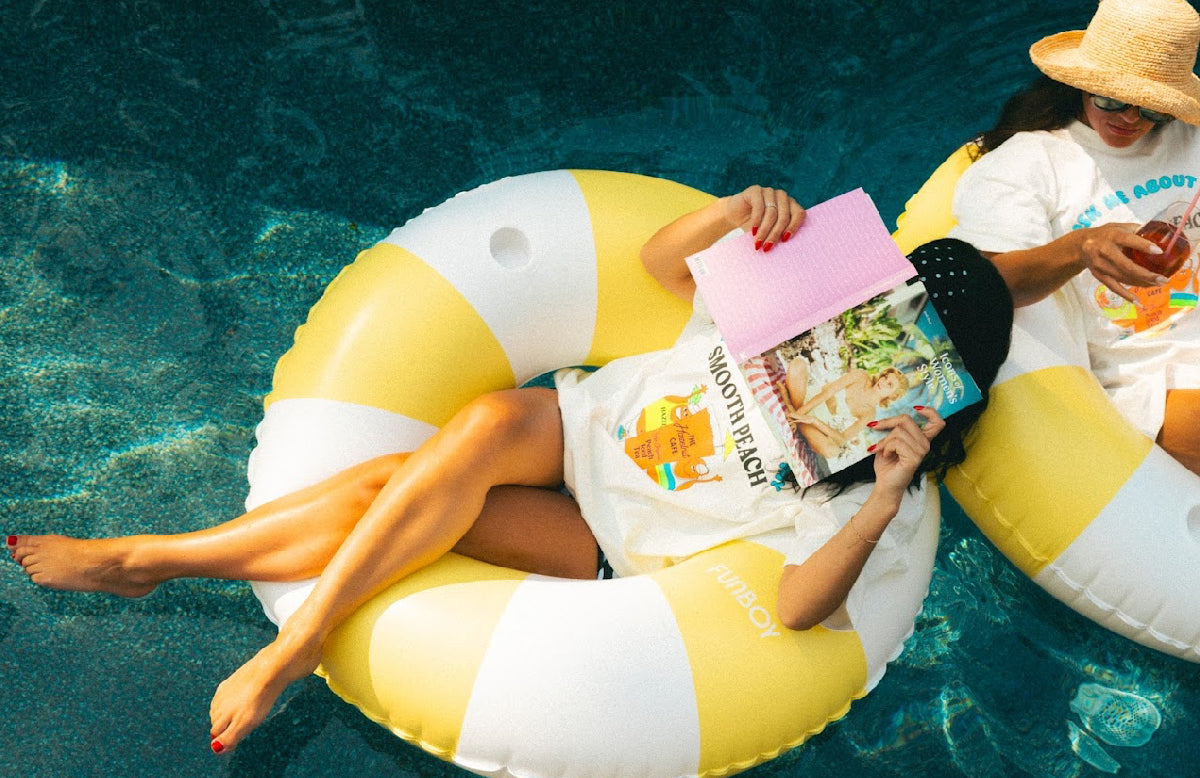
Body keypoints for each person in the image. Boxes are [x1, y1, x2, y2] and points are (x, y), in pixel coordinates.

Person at [7, 186, 1014, 754]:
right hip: (570, 428)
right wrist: (731, 214)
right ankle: (187, 584)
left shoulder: (875, 476)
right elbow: (658, 267)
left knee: (381, 490)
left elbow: (797, 606)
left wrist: (885, 495)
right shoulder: (790, 308)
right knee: (489, 420)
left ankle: (169, 572)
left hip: (603, 537)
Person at [948, 0, 1200, 475]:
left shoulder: (1190, 137)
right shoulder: (1031, 163)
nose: (1131, 119)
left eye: (1152, 108)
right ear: (1083, 81)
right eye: (1112, 99)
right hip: (1149, 377)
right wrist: (1079, 248)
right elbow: (983, 289)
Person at [780, 362, 910, 460]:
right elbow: (826, 393)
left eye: (889, 385)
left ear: (893, 396)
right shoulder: (861, 376)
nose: (883, 382)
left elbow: (841, 439)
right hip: (806, 400)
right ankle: (794, 411)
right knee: (798, 364)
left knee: (832, 451)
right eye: (885, 377)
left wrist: (813, 421)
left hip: (811, 423)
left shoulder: (869, 414)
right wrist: (798, 415)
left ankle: (789, 404)